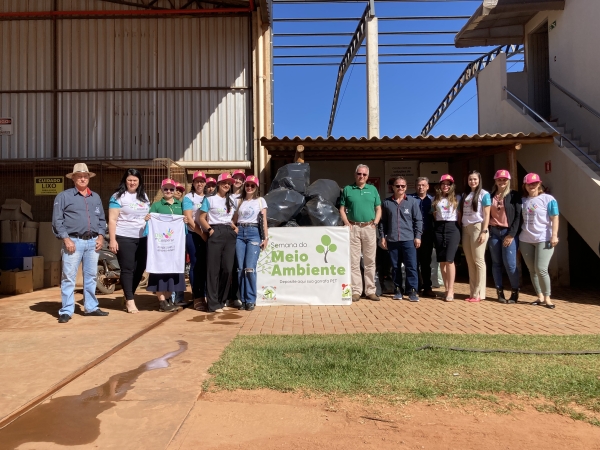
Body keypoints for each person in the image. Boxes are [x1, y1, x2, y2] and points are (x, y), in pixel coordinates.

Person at [52, 163, 109, 323]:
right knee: (69, 277)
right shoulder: (63, 197)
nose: (83, 178)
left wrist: (100, 236)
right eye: (79, 176)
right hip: (73, 241)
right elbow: (57, 220)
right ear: (74, 178)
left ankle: (91, 307)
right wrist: (66, 238)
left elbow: (101, 219)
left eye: (85, 176)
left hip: (92, 242)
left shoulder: (95, 197)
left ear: (88, 178)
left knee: (91, 276)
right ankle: (67, 310)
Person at [145, 178, 193, 312]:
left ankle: (168, 300)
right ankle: (162, 302)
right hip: (160, 247)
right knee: (160, 274)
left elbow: (185, 219)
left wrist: (184, 219)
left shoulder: (179, 204)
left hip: (174, 248)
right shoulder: (156, 205)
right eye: (165, 189)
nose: (169, 191)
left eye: (171, 189)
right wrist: (148, 218)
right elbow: (149, 221)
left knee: (172, 273)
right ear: (161, 190)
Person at [108, 168, 151, 314]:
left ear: (139, 182)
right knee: (127, 269)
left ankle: (128, 295)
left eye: (135, 180)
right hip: (124, 236)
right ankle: (130, 301)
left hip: (142, 237)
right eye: (129, 180)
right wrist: (112, 240)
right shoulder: (117, 197)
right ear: (125, 181)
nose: (132, 183)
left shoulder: (143, 196)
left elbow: (147, 214)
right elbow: (112, 220)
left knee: (140, 268)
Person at [339, 164, 382, 302]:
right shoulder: (347, 189)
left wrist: (375, 223)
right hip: (353, 228)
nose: (361, 176)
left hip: (369, 227)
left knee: (370, 261)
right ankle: (356, 291)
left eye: (364, 174)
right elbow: (341, 208)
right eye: (359, 173)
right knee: (354, 261)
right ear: (355, 174)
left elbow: (379, 209)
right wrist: (346, 223)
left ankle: (370, 291)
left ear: (367, 176)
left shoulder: (373, 189)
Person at [197, 173, 239, 313]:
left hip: (229, 233)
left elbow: (230, 217)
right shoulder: (209, 199)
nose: (227, 185)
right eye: (224, 182)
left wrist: (233, 226)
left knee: (227, 268)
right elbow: (201, 217)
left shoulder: (231, 200)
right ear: (218, 184)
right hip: (215, 231)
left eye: (229, 183)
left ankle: (222, 300)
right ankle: (213, 304)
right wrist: (209, 230)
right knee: (213, 269)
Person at [379, 176, 423, 302]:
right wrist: (382, 237)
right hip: (393, 240)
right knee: (395, 266)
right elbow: (383, 223)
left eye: (403, 186)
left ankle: (412, 291)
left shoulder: (412, 202)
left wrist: (418, 236)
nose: (400, 188)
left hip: (409, 239)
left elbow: (418, 220)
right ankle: (397, 289)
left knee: (411, 266)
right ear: (392, 187)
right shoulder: (386, 203)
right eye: (397, 186)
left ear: (406, 187)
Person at [520, 173, 559, 309]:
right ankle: (539, 296)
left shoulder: (548, 199)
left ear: (539, 184)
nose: (532, 186)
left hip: (544, 238)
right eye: (529, 183)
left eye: (535, 183)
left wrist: (554, 235)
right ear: (525, 185)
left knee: (541, 268)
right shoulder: (523, 200)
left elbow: (555, 217)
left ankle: (547, 297)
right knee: (532, 269)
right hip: (525, 239)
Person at [488, 169, 522, 304]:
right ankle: (499, 291)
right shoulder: (490, 196)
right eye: (499, 179)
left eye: (504, 180)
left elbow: (519, 216)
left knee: (510, 263)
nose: (501, 182)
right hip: (494, 232)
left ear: (508, 181)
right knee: (496, 263)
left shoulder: (514, 195)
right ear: (495, 181)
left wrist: (512, 234)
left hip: (508, 232)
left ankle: (514, 291)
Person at [235, 175, 269, 311]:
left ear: (256, 188)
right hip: (240, 233)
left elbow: (264, 220)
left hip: (254, 232)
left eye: (252, 186)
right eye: (247, 185)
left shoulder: (261, 201)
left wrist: (266, 238)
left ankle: (250, 299)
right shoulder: (239, 201)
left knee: (249, 268)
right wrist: (234, 229)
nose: (249, 188)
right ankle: (242, 299)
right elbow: (235, 219)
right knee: (239, 269)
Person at [460, 170, 491, 303]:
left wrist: (484, 231)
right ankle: (473, 293)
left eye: (475, 179)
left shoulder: (484, 194)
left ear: (479, 180)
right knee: (470, 261)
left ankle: (479, 293)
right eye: (470, 179)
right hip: (466, 228)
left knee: (479, 260)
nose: (472, 181)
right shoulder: (465, 194)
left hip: (478, 227)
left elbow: (487, 214)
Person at [432, 174, 461, 302]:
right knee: (442, 261)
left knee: (450, 260)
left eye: (448, 184)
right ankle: (446, 288)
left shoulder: (457, 198)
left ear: (452, 186)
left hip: (452, 228)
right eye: (443, 184)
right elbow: (434, 215)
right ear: (440, 185)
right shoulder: (435, 199)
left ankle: (451, 290)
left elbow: (459, 216)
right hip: (439, 229)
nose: (446, 186)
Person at [186, 171, 209, 311]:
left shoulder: (209, 197)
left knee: (207, 265)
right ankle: (197, 296)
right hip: (193, 234)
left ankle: (207, 294)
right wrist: (201, 234)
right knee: (195, 264)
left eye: (202, 181)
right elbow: (189, 219)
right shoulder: (189, 198)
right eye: (197, 181)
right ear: (193, 183)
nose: (199, 183)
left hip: (208, 234)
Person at [411, 177, 435, 297]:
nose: (421, 187)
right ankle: (415, 287)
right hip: (413, 235)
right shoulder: (409, 199)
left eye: (423, 185)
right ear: (415, 186)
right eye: (418, 185)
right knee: (413, 262)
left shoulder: (433, 200)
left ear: (427, 186)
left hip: (427, 234)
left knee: (426, 263)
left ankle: (427, 287)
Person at [227, 169, 246, 309]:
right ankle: (227, 295)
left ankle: (237, 295)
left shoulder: (246, 197)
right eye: (236, 178)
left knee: (238, 266)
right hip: (227, 231)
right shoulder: (225, 195)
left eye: (241, 178)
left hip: (240, 232)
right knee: (227, 265)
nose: (238, 181)